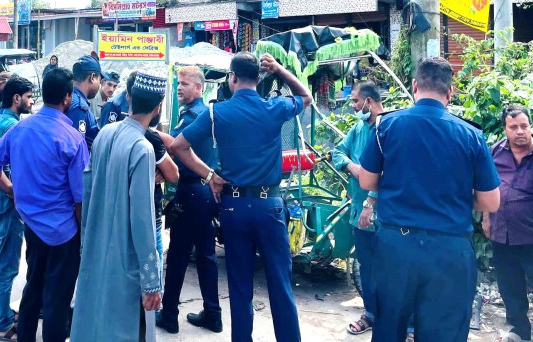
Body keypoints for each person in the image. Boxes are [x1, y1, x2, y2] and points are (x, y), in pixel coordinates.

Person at [170, 52, 311, 342]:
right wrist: (281, 70)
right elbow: (306, 97)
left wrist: (210, 175)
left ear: (232, 79)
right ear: (259, 79)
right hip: (270, 207)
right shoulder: (274, 107)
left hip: (233, 208)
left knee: (240, 287)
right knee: (281, 286)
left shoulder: (216, 112)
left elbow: (179, 146)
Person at [358, 57, 501, 341]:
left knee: (388, 329)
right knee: (444, 333)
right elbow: (491, 202)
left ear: (414, 86)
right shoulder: (471, 135)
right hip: (449, 249)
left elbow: (367, 181)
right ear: (450, 92)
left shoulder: (386, 126)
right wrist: (458, 197)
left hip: (396, 247)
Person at [0, 68, 88, 342]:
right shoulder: (72, 138)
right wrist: (82, 232)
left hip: (31, 225)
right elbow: (80, 197)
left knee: (33, 287)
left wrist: (10, 190)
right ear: (67, 98)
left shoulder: (21, 129)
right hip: (64, 231)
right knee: (58, 297)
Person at [72, 72, 167, 342]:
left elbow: (87, 191)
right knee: (125, 327)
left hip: (96, 247)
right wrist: (151, 281)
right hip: (125, 257)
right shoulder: (142, 148)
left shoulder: (104, 134)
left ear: (128, 98)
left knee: (95, 321)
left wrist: (86, 243)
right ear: (158, 107)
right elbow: (142, 220)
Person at [482, 105, 533, 342]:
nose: (520, 131)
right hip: (502, 236)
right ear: (505, 129)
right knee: (510, 290)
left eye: (524, 126)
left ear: (531, 127)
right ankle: (519, 334)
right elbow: (488, 187)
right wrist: (487, 218)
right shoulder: (495, 152)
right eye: (513, 127)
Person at [157, 66, 222, 334]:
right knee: (206, 255)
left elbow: (175, 148)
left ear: (199, 87)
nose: (180, 88)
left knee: (178, 256)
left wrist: (151, 132)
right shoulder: (205, 115)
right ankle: (213, 314)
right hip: (205, 192)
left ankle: (169, 314)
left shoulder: (194, 116)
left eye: (185, 83)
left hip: (193, 191)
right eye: (178, 83)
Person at [332, 81, 388, 336]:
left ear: (368, 101)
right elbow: (337, 152)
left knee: (394, 267)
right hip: (359, 211)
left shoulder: (388, 128)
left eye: (355, 101)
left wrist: (370, 203)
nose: (353, 106)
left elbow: (390, 171)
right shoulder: (357, 128)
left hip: (384, 213)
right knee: (366, 265)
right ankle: (370, 314)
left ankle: (402, 321)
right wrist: (351, 167)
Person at [0, 76, 34, 340]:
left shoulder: (5, 122)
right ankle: (4, 323)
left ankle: (0, 312)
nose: (31, 102)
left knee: (0, 262)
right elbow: (2, 168)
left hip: (1, 205)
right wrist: (14, 192)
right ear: (16, 98)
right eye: (28, 97)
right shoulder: (10, 126)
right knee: (7, 265)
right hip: (8, 207)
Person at [66, 55, 106, 151]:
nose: (99, 86)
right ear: (92, 77)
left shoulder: (70, 97)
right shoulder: (79, 106)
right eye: (99, 81)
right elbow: (75, 149)